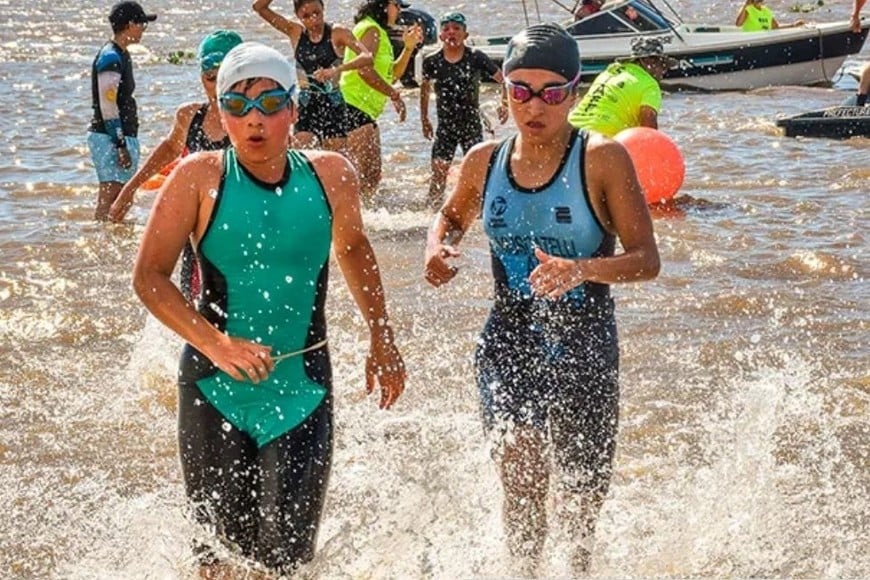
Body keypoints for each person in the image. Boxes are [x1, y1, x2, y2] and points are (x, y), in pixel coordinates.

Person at [132, 42, 406, 576]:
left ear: (294, 109)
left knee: (288, 563)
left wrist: (382, 337)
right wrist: (217, 343)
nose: (253, 119)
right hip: (216, 389)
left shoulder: (331, 175)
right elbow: (149, 278)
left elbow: (352, 250)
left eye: (269, 103)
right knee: (218, 560)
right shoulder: (198, 177)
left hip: (302, 388)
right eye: (237, 105)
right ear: (221, 112)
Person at [424, 23, 659, 576]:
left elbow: (646, 259)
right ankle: (524, 571)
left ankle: (577, 569)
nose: (535, 105)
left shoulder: (602, 160)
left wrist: (581, 269)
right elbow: (451, 217)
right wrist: (438, 249)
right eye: (521, 89)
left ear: (574, 94)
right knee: (522, 470)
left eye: (552, 92)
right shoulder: (485, 160)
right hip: (508, 340)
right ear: (503, 89)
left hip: (585, 344)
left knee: (580, 498)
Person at [109, 30, 243, 302]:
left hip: (240, 232)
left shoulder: (254, 120)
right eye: (209, 78)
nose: (217, 87)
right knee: (194, 308)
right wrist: (129, 189)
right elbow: (170, 148)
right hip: (195, 235)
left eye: (225, 79)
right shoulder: (190, 117)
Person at [252, 0, 374, 151]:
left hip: (333, 105)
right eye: (306, 16)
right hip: (306, 104)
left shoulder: (337, 33)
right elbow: (259, 7)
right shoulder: (294, 32)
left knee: (335, 161)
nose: (313, 19)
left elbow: (367, 57)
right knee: (302, 155)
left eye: (317, 13)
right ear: (298, 16)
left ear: (323, 8)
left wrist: (336, 70)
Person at [419, 12, 507, 208]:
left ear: (465, 35)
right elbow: (424, 90)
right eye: (446, 29)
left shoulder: (476, 57)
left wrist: (505, 104)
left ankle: (483, 212)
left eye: (457, 29)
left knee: (479, 174)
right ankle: (432, 214)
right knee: (439, 174)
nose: (451, 32)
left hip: (471, 124)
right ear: (441, 35)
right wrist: (424, 119)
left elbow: (503, 80)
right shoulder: (432, 61)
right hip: (445, 126)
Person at [339, 0, 423, 200]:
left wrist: (408, 48)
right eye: (397, 5)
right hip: (352, 105)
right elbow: (364, 70)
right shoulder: (370, 29)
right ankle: (350, 220)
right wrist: (393, 95)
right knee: (362, 176)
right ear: (384, 5)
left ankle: (362, 219)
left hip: (364, 110)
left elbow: (391, 75)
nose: (400, 11)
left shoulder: (380, 32)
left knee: (371, 176)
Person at [87, 1, 157, 221]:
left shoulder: (121, 54)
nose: (143, 30)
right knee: (111, 201)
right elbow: (108, 106)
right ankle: (102, 244)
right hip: (110, 138)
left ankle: (112, 243)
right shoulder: (110, 58)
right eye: (142, 24)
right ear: (130, 24)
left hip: (120, 136)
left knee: (123, 201)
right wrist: (120, 144)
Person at [568, 36, 677, 137]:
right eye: (662, 64)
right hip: (601, 135)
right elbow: (648, 132)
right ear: (648, 60)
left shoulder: (609, 72)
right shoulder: (650, 85)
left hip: (570, 130)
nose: (663, 71)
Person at [735, 0, 805, 31]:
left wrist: (793, 25)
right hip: (753, 40)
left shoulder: (766, 11)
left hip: (764, 40)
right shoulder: (748, 9)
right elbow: (738, 24)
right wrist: (745, 6)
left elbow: (775, 27)